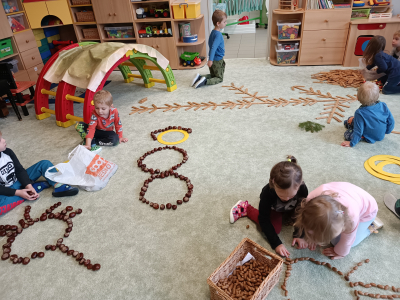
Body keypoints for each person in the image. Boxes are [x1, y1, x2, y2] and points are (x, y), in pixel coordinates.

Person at [229, 156, 310, 257]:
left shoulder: (302, 189)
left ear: (299, 185)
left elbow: (301, 211)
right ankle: (246, 208)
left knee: (309, 216)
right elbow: (264, 219)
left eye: (291, 196)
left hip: (290, 208)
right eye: (281, 195)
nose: (286, 198)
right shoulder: (267, 194)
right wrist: (276, 243)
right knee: (275, 229)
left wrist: (300, 235)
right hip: (275, 208)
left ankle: (287, 214)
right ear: (273, 183)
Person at [0, 131, 79, 216]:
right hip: (4, 191)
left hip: (19, 180)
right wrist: (18, 192)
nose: (4, 140)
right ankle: (31, 190)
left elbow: (19, 170)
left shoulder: (7, 152)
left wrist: (28, 185)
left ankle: (58, 185)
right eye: (0, 140)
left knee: (44, 164)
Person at [295, 182, 378, 259]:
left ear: (343, 225)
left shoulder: (351, 219)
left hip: (368, 211)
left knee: (340, 242)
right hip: (348, 191)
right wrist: (311, 236)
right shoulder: (311, 202)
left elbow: (347, 241)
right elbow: (306, 221)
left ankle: (370, 229)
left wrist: (340, 252)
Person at [341, 82, 394, 148]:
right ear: (378, 95)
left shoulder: (359, 112)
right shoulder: (383, 105)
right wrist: (387, 131)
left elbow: (358, 131)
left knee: (346, 134)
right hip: (381, 135)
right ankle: (351, 122)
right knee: (352, 119)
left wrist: (352, 143)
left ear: (357, 97)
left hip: (369, 136)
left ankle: (351, 127)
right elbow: (391, 121)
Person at [191, 10, 227, 89]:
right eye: (224, 22)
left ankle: (199, 77)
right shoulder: (218, 35)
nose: (226, 23)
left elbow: (210, 44)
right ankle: (205, 81)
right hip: (217, 60)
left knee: (213, 75)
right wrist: (210, 60)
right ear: (218, 23)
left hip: (213, 59)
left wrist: (210, 58)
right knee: (219, 78)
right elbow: (214, 47)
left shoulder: (213, 32)